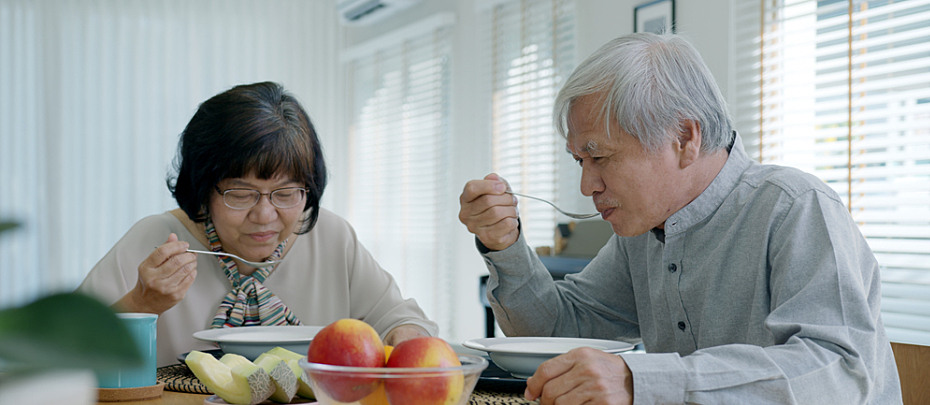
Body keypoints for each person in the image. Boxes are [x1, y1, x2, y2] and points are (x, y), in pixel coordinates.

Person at [459, 33, 901, 404]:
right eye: (579, 160)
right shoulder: (646, 229)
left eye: (599, 156)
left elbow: (839, 374)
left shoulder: (796, 207)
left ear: (684, 138)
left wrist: (640, 380)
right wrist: (505, 245)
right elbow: (557, 331)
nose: (587, 185)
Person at [78, 81, 437, 367]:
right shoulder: (155, 240)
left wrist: (405, 335)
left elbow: (399, 319)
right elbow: (63, 352)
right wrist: (142, 302)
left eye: (286, 193)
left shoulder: (329, 236)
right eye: (240, 193)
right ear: (203, 189)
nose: (265, 216)